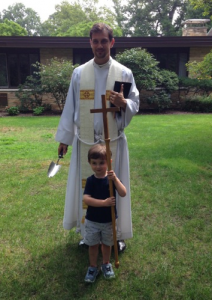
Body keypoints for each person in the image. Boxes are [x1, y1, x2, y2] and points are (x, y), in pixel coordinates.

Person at [55, 23, 139, 249]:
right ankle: (87, 233)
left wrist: (124, 103)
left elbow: (134, 103)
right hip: (86, 143)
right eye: (95, 41)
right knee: (88, 187)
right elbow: (70, 106)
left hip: (113, 144)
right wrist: (65, 139)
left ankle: (116, 235)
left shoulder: (123, 73)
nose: (100, 46)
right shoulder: (80, 73)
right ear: (90, 43)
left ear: (112, 42)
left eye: (104, 41)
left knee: (112, 188)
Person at [83, 144, 126, 282]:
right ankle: (93, 267)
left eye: (102, 163)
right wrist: (104, 203)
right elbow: (86, 199)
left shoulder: (112, 180)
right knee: (93, 245)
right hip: (93, 221)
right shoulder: (90, 181)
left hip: (109, 220)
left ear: (109, 162)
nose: (98, 166)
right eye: (94, 163)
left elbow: (123, 193)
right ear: (89, 163)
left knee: (107, 244)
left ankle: (106, 264)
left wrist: (116, 179)